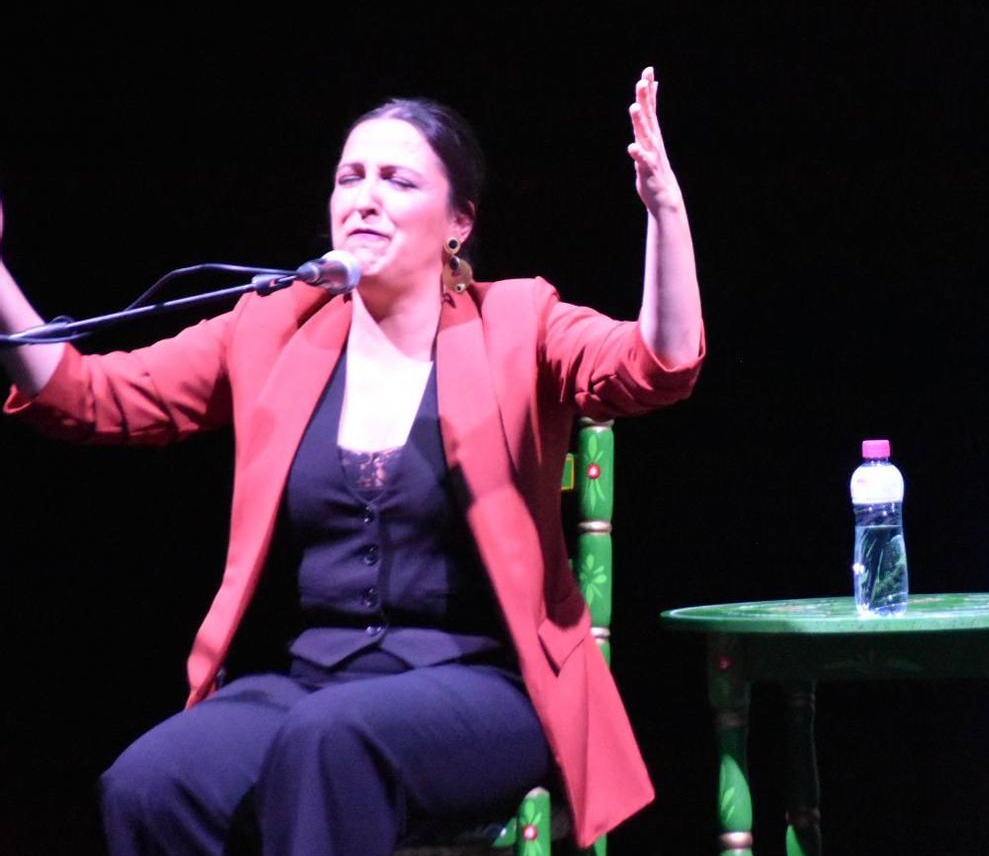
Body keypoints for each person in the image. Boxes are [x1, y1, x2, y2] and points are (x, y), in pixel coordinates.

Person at [0, 67, 703, 855]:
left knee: (332, 740)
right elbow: (89, 395)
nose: (363, 196)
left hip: (489, 690)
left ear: (458, 223)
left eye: (397, 180)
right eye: (349, 176)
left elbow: (658, 366)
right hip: (312, 688)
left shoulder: (516, 320)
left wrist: (664, 212)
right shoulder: (274, 327)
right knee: (152, 782)